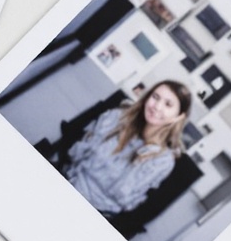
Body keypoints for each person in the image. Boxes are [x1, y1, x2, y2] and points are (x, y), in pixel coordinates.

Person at [63, 80, 193, 221]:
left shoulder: (163, 159)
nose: (157, 107)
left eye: (168, 104)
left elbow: (122, 195)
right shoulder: (115, 117)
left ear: (179, 116)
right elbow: (77, 153)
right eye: (155, 97)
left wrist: (140, 156)